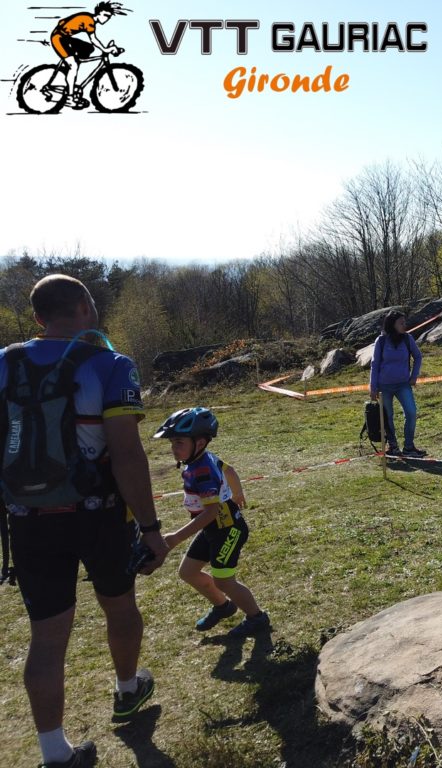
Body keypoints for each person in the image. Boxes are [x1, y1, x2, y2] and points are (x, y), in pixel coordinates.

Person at [1, 274, 167, 768]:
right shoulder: (111, 365)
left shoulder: (4, 364)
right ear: (84, 308)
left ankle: (55, 752)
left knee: (47, 638)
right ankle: (126, 689)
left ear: (37, 317)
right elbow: (127, 455)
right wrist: (152, 528)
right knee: (119, 607)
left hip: (29, 520)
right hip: (99, 515)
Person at [154, 407, 271, 638]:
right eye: (172, 443)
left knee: (224, 580)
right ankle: (223, 606)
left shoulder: (203, 471)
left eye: (178, 442)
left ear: (198, 443)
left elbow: (210, 512)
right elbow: (230, 470)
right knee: (188, 572)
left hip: (227, 530)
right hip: (212, 528)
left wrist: (176, 537)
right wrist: (237, 493)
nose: (173, 449)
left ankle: (257, 618)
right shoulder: (203, 458)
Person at [46, 2, 127, 109]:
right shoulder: (89, 21)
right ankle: (69, 97)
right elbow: (93, 39)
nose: (106, 19)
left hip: (65, 37)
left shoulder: (87, 17)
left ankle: (71, 68)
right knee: (73, 65)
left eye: (109, 17)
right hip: (59, 38)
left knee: (89, 48)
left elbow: (62, 21)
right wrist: (106, 49)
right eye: (105, 15)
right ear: (98, 13)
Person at [369, 310, 426, 458]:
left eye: (404, 322)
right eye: (401, 323)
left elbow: (418, 357)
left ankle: (409, 447)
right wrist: (373, 387)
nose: (404, 325)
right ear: (392, 324)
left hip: (403, 385)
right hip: (384, 386)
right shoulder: (380, 341)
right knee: (388, 417)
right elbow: (374, 365)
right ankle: (393, 446)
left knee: (411, 412)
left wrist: (414, 376)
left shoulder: (408, 339)